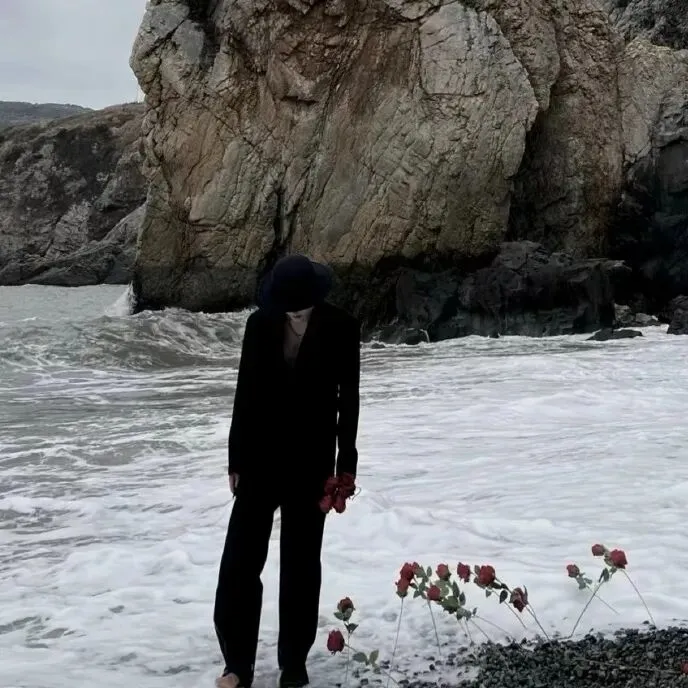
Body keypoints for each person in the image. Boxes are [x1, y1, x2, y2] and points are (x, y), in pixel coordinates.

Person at [213, 254, 362, 688]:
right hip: (259, 458)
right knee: (239, 563)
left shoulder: (342, 326)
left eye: (298, 308)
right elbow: (245, 391)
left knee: (301, 565)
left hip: (312, 462)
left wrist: (345, 466)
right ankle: (237, 664)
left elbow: (349, 400)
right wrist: (235, 458)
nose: (291, 314)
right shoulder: (259, 323)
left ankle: (293, 664)